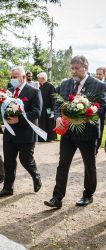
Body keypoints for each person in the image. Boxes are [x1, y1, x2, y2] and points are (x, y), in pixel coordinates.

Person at [44, 56, 106, 209]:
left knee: (89, 165)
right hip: (67, 132)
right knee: (62, 164)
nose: (73, 71)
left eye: (76, 68)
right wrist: (58, 117)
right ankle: (57, 198)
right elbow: (58, 103)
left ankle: (88, 195)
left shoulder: (98, 85)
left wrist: (89, 114)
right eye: (72, 68)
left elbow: (102, 107)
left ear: (85, 67)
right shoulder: (65, 84)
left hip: (88, 133)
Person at [0, 66, 43, 197]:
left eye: (15, 77)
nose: (13, 79)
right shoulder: (8, 92)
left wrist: (19, 119)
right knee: (9, 161)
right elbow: (2, 108)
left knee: (26, 160)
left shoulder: (33, 91)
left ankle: (36, 176)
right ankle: (7, 188)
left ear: (23, 77)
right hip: (10, 133)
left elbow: (36, 112)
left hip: (26, 133)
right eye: (12, 77)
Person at [37, 72, 57, 142]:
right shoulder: (40, 86)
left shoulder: (50, 86)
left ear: (42, 78)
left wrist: (53, 109)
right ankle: (42, 138)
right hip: (42, 109)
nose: (38, 79)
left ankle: (50, 137)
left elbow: (54, 99)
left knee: (50, 122)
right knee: (42, 122)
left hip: (49, 109)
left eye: (39, 78)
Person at [95, 67, 106, 154]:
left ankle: (96, 148)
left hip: (102, 112)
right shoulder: (92, 84)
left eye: (100, 74)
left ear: (104, 74)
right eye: (97, 74)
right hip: (91, 111)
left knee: (100, 130)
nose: (98, 76)